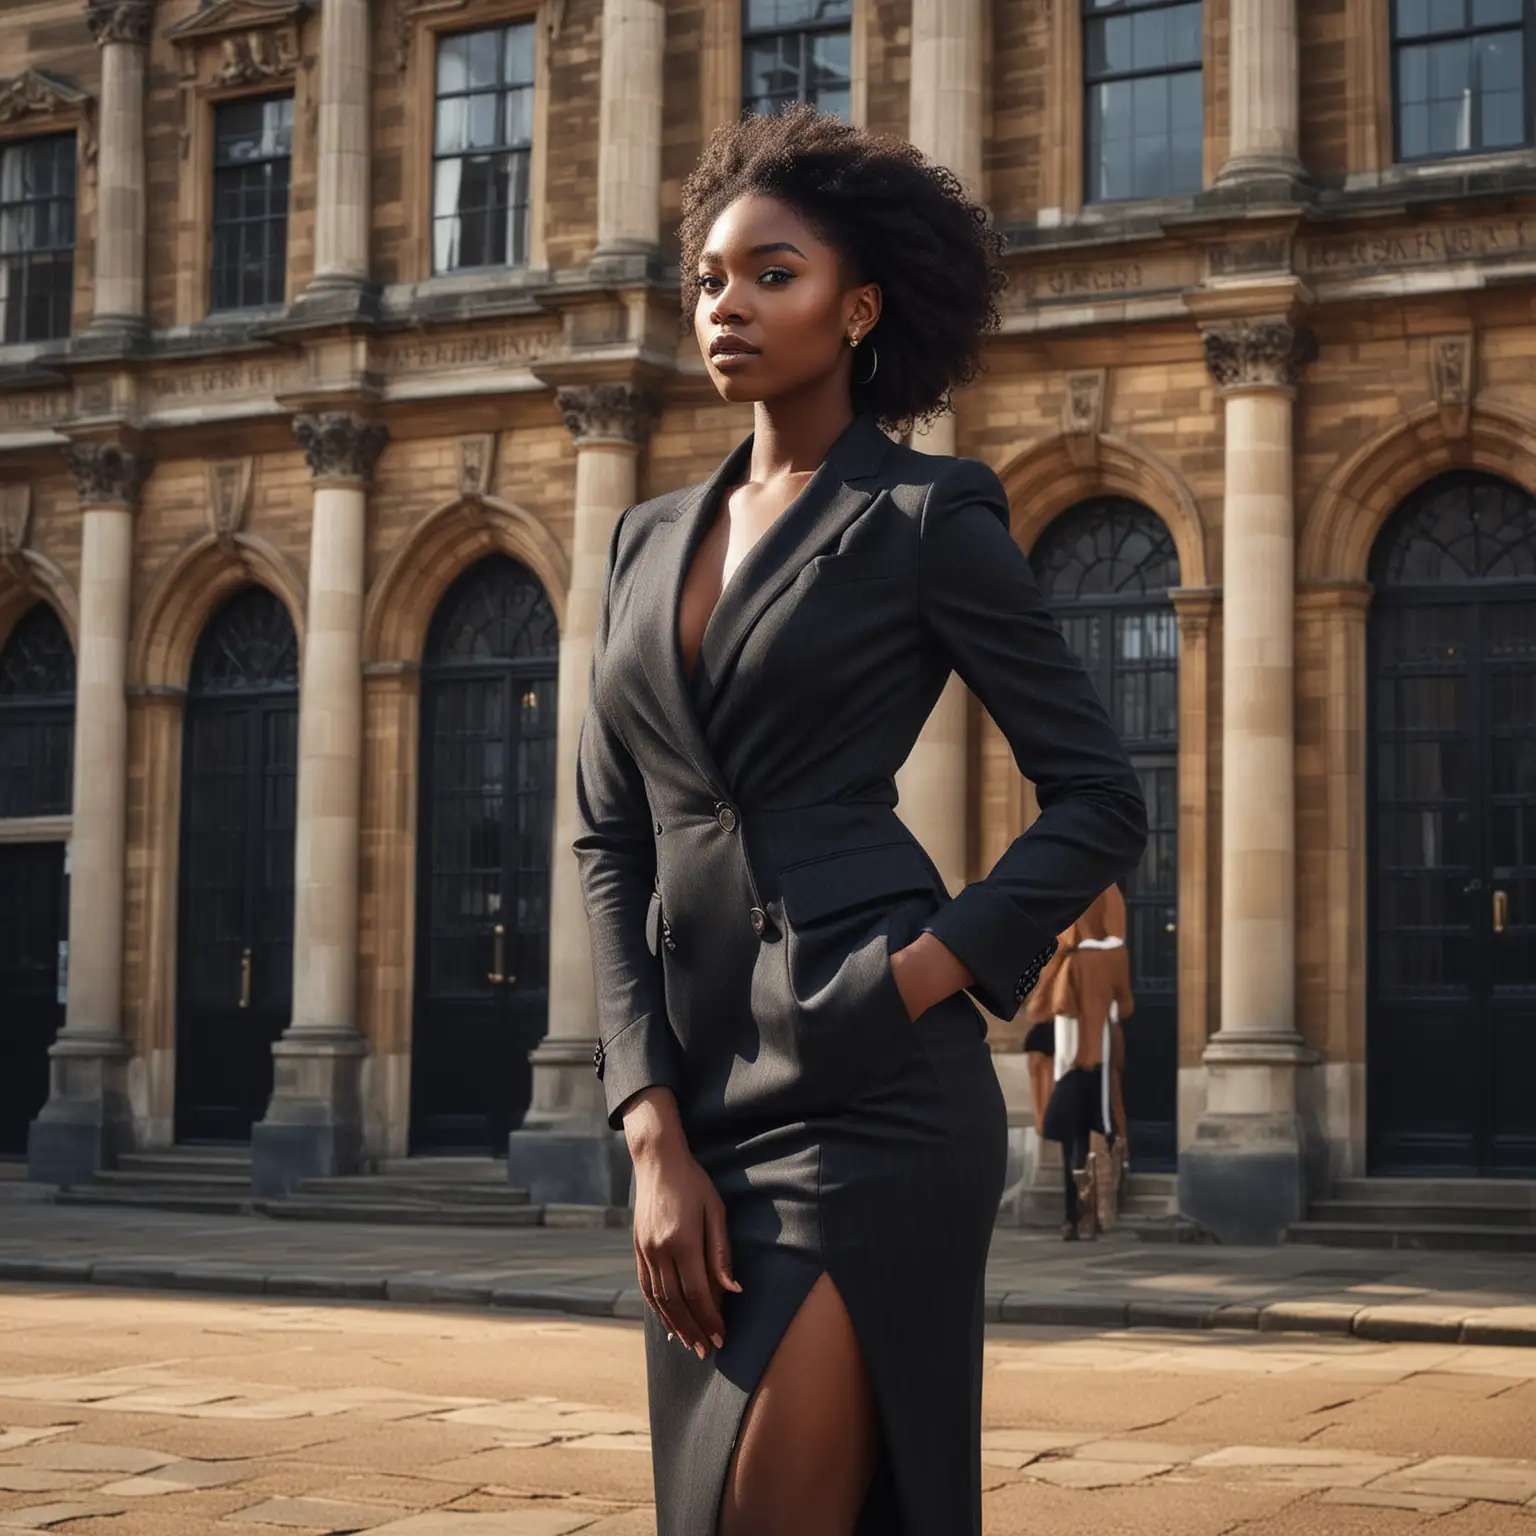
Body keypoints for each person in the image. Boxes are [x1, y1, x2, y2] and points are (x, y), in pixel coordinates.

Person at [573, 105, 1147, 1536]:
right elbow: (605, 839)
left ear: (859, 307)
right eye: (708, 277)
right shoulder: (644, 539)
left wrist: (918, 981)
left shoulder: (922, 515)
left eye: (773, 273)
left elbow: (1099, 797)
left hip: (872, 1094)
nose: (727, 305)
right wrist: (649, 1131)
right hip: (698, 1103)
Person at [1039, 885, 1135, 1240]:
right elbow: (1125, 1007)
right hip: (1103, 1058)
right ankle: (1094, 1214)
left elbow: (1046, 1005)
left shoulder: (1067, 959)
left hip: (1071, 1060)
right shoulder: (1115, 955)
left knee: (1072, 1138)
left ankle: (1075, 1214)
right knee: (1102, 1129)